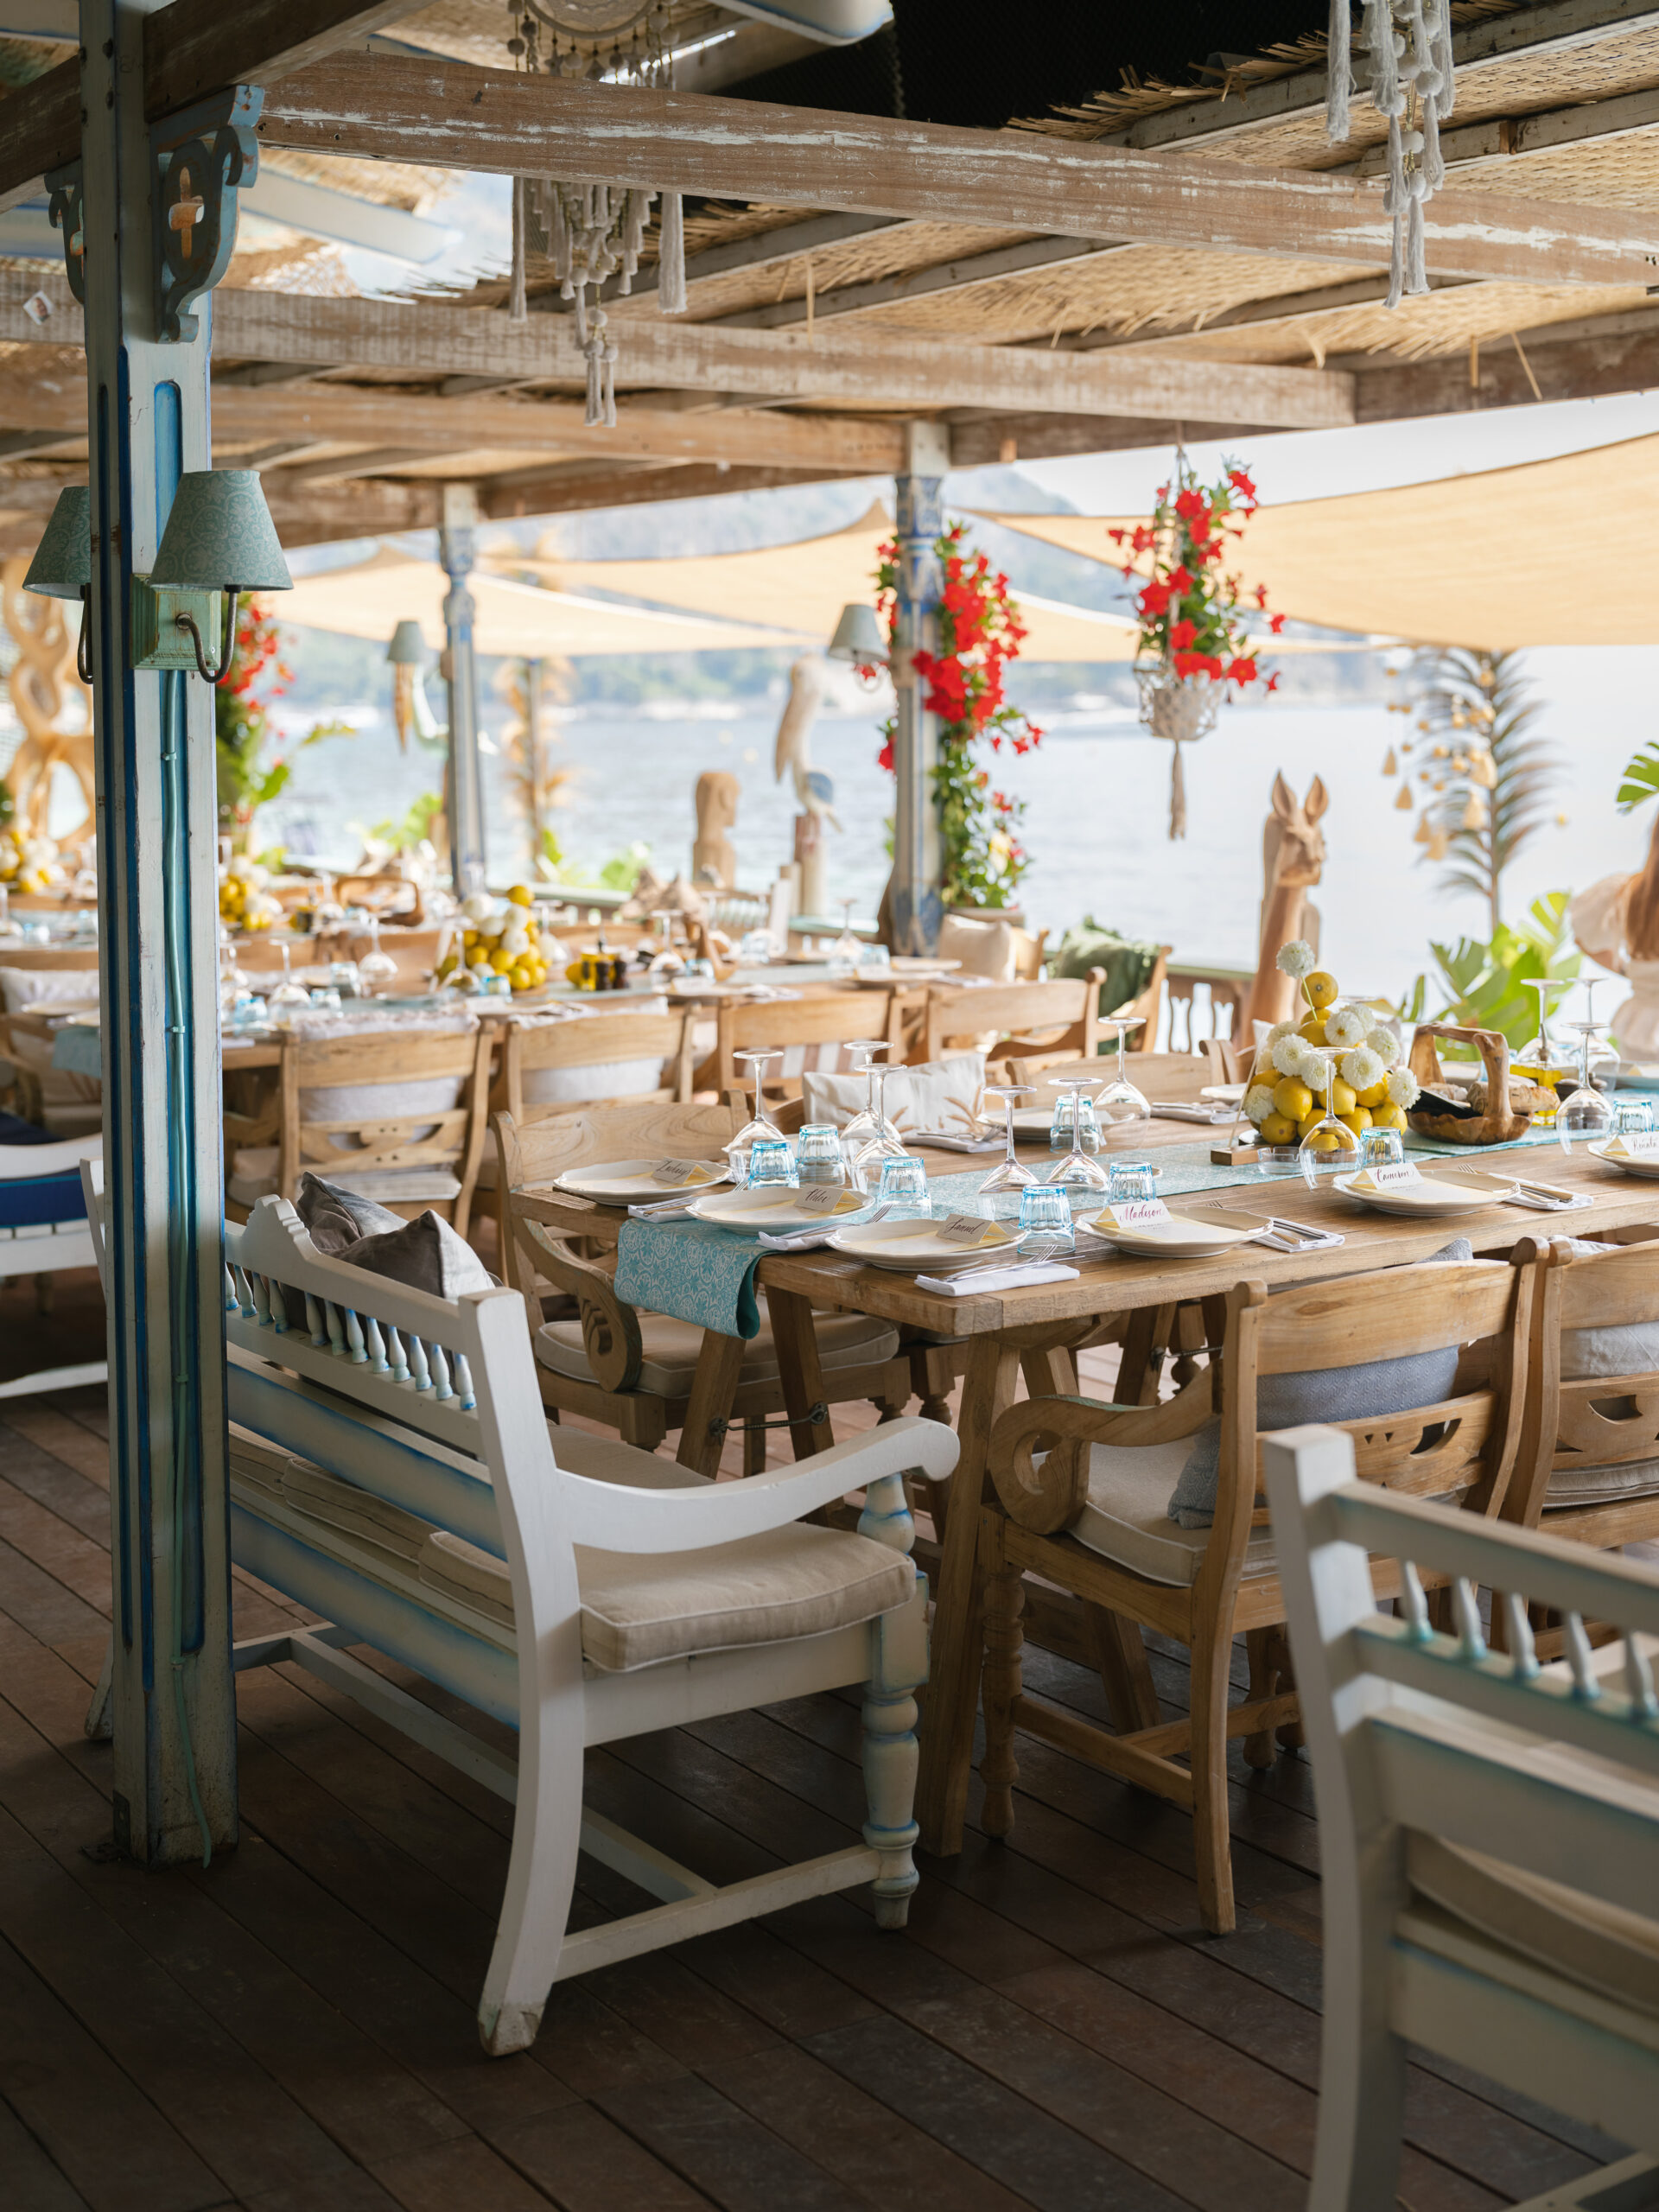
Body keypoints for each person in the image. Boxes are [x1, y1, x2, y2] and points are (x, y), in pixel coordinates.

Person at [1571, 810, 1659, 1060]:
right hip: (1641, 1027)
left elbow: (1582, 937)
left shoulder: (1628, 891)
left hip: (1641, 1024)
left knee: (1640, 1097)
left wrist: (1627, 969)